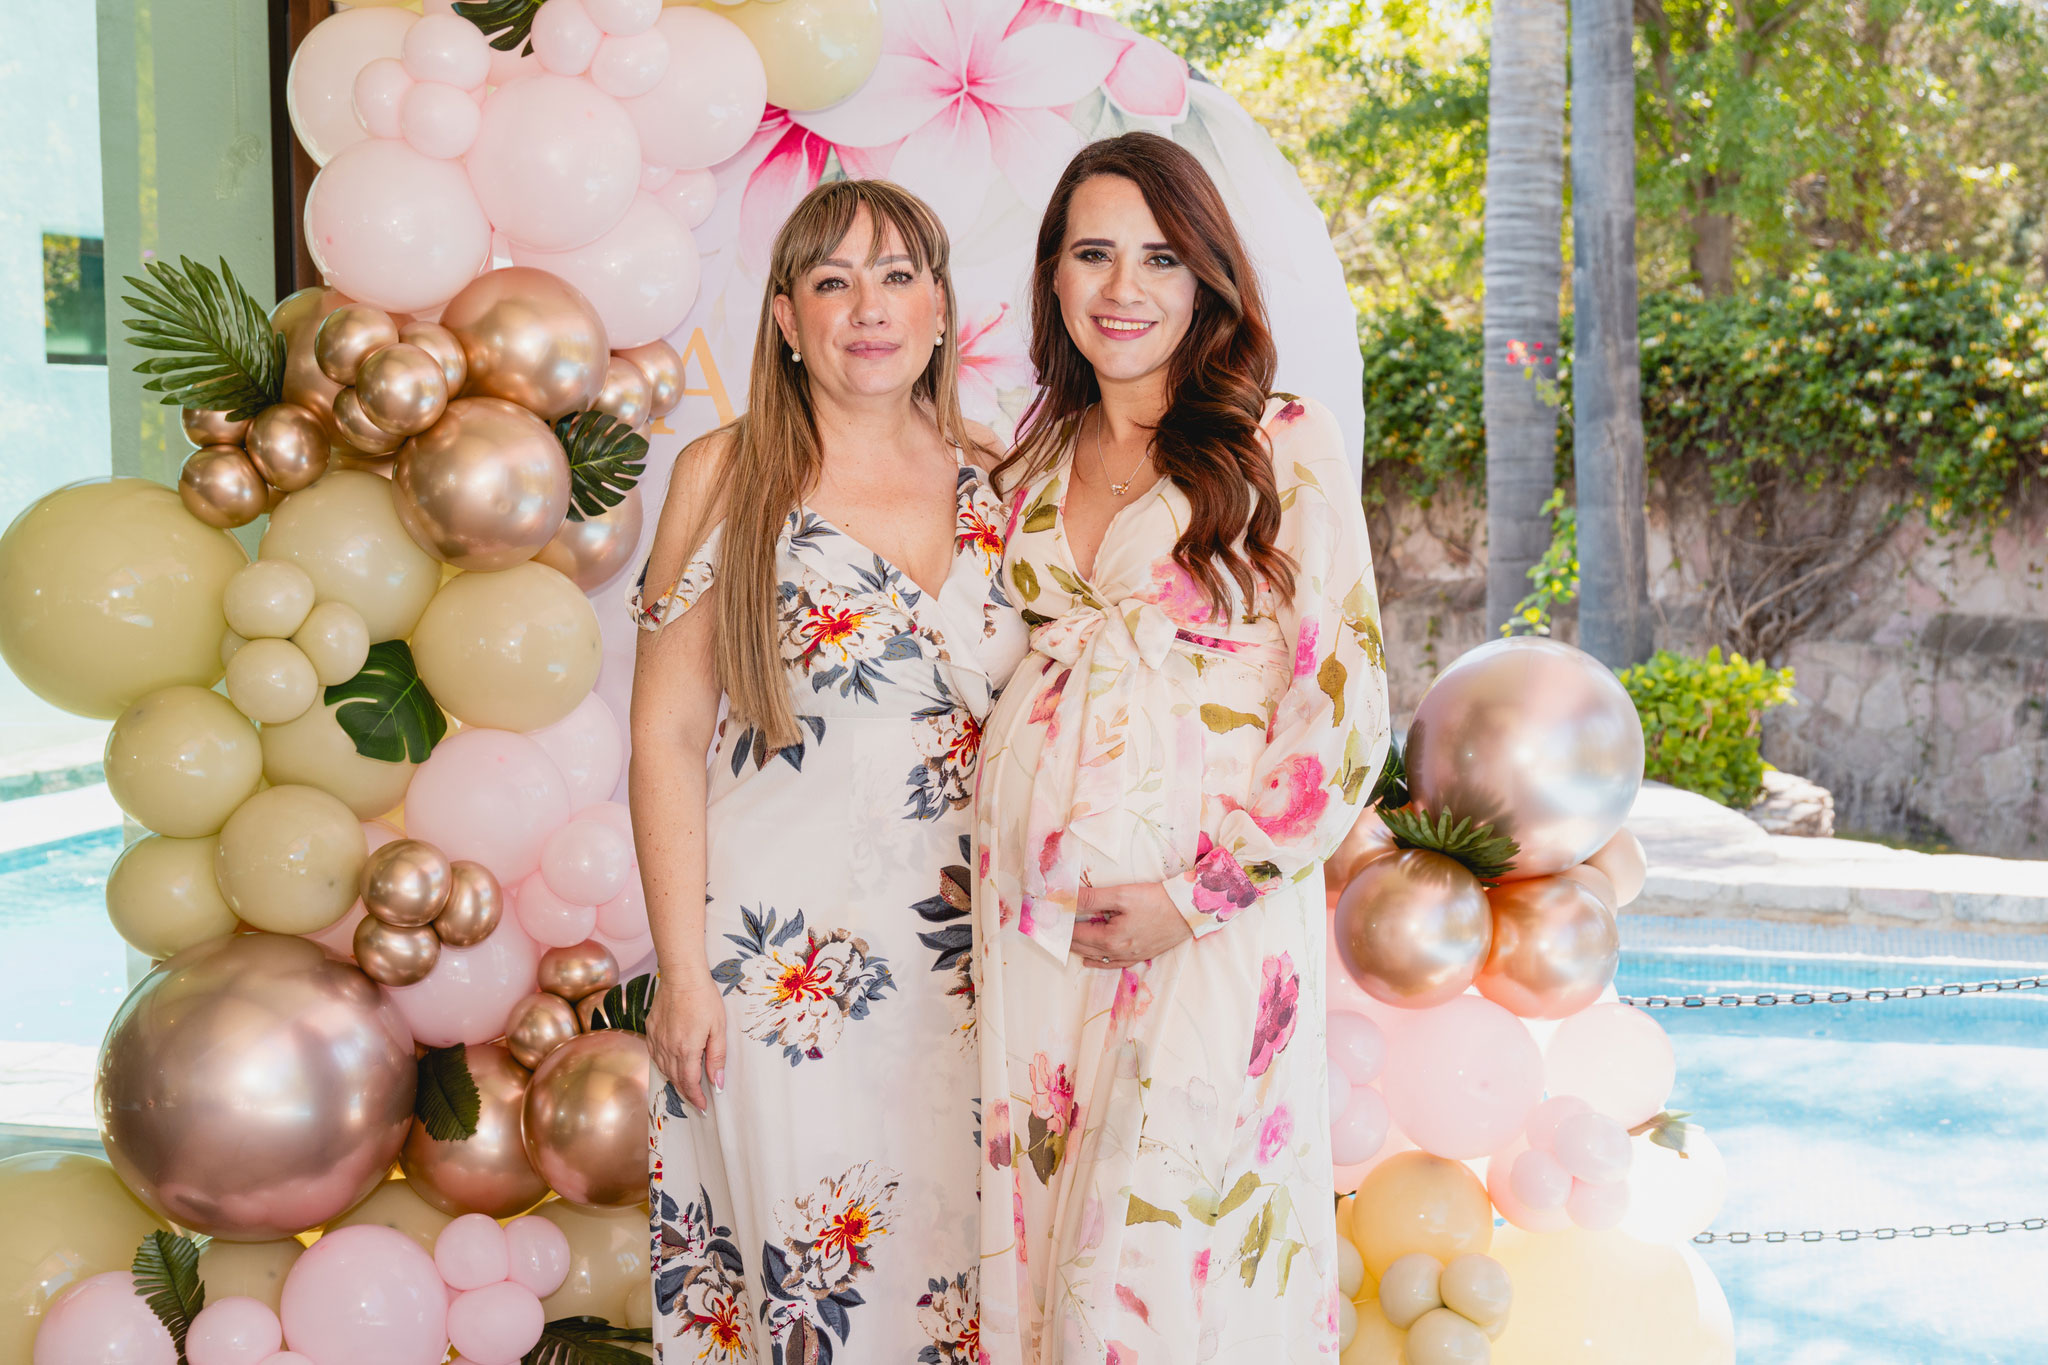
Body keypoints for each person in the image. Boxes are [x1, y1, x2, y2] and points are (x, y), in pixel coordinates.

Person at [973, 132, 1391, 1360]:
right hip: (1035, 928)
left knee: (1165, 1257)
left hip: (1206, 920)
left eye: (1159, 257)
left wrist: (1193, 897)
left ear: (1206, 277)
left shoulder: (1279, 441)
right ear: (1051, 276)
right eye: (1091, 254)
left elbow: (1341, 711)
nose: (1123, 288)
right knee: (1050, 1242)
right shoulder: (1028, 460)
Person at [628, 178, 1026, 1365]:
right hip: (782, 971)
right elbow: (663, 738)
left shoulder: (1000, 477)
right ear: (786, 319)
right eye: (832, 281)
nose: (868, 308)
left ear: (940, 308)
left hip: (971, 965)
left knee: (956, 1277)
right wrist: (682, 974)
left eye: (897, 276)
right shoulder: (724, 474)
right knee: (808, 1291)